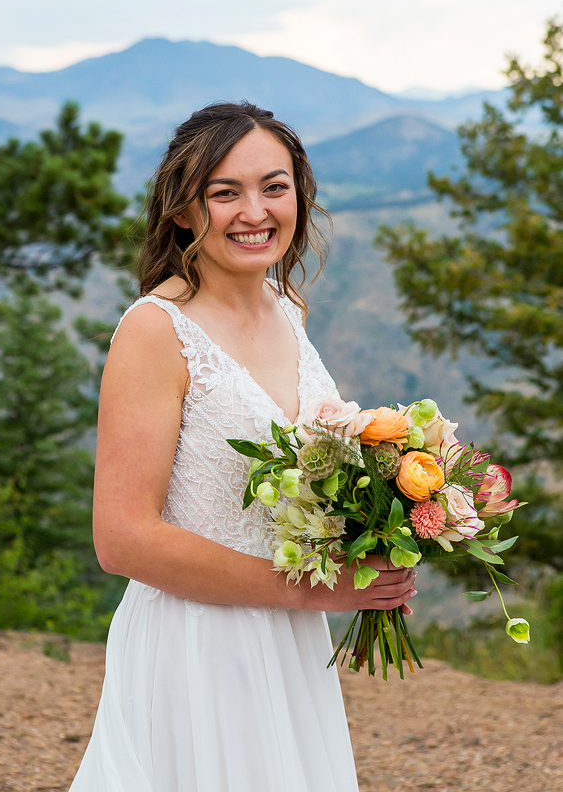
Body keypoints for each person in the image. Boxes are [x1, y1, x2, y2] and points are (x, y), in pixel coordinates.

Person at [69, 102, 416, 792]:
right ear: (182, 211)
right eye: (223, 192)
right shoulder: (154, 331)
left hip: (286, 643)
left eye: (273, 187)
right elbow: (121, 539)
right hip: (194, 646)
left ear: (299, 195)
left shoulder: (286, 308)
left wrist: (380, 528)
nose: (253, 211)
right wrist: (315, 592)